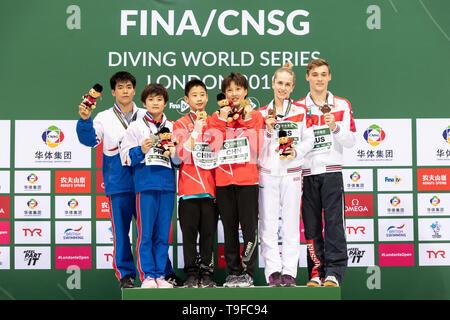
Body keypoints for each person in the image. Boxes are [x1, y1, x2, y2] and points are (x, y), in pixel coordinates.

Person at [76, 71, 146, 289]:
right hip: (118, 183)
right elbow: (90, 140)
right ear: (113, 92)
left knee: (149, 231)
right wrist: (85, 120)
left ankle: (155, 273)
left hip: (145, 181)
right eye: (120, 87)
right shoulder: (103, 117)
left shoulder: (146, 114)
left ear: (134, 90)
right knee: (121, 233)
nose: (125, 91)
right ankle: (126, 274)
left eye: (128, 87)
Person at [296, 58, 356, 287]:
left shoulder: (341, 104)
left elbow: (351, 140)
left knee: (334, 224)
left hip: (332, 172)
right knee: (310, 226)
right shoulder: (299, 107)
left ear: (329, 77)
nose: (319, 78)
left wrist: (335, 127)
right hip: (307, 173)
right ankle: (316, 271)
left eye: (323, 74)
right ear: (307, 77)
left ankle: (334, 273)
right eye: (315, 74)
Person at [119, 83, 180, 289]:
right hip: (145, 186)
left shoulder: (172, 127)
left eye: (159, 99)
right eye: (151, 99)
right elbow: (125, 157)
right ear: (144, 103)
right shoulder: (136, 127)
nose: (155, 103)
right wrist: (140, 149)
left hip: (167, 187)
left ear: (165, 103)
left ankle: (161, 275)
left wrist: (174, 153)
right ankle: (147, 275)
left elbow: (180, 161)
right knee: (145, 234)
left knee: (163, 234)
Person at [257, 62, 314, 287]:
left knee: (291, 224)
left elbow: (310, 139)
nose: (283, 87)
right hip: (268, 173)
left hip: (292, 172)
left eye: (287, 84)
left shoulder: (301, 112)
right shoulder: (261, 113)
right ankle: (272, 271)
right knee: (268, 224)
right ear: (272, 84)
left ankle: (289, 271)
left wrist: (296, 151)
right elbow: (255, 147)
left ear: (292, 87)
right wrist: (268, 129)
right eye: (279, 83)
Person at [209, 72, 265, 287]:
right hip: (223, 181)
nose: (234, 94)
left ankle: (248, 273)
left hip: (247, 180)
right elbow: (214, 147)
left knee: (249, 229)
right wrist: (223, 120)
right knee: (229, 228)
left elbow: (257, 147)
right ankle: (234, 272)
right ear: (224, 93)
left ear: (245, 92)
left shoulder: (255, 116)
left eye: (238, 89)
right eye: (230, 90)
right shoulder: (215, 117)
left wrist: (248, 119)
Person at [172, 79, 227, 288]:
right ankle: (192, 274)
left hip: (211, 190)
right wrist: (195, 130)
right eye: (194, 95)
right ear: (186, 99)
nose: (199, 99)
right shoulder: (179, 123)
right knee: (189, 236)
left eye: (202, 94)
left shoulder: (214, 121)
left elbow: (219, 150)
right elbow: (180, 156)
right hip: (188, 190)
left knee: (208, 236)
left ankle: (207, 273)